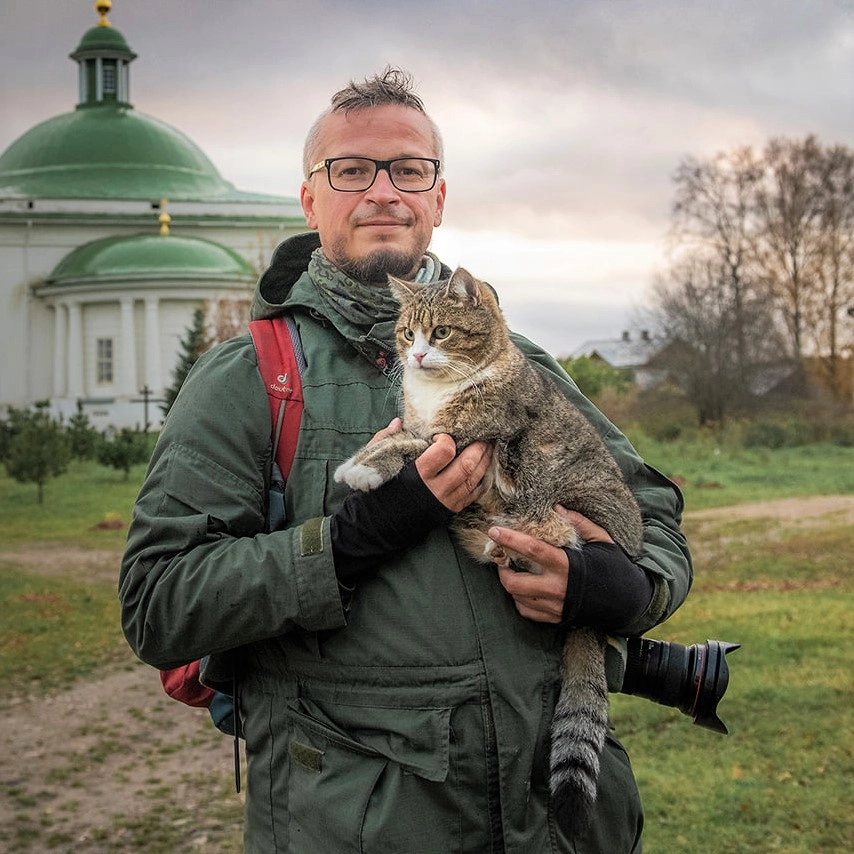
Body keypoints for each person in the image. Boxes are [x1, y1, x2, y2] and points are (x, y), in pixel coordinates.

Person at [119, 68, 692, 853]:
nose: (382, 191)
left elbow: (654, 519)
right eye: (351, 170)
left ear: (438, 197)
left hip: (554, 825)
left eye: (408, 170)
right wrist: (357, 537)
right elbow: (158, 604)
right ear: (310, 200)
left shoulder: (518, 361)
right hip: (362, 824)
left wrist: (617, 589)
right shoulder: (252, 377)